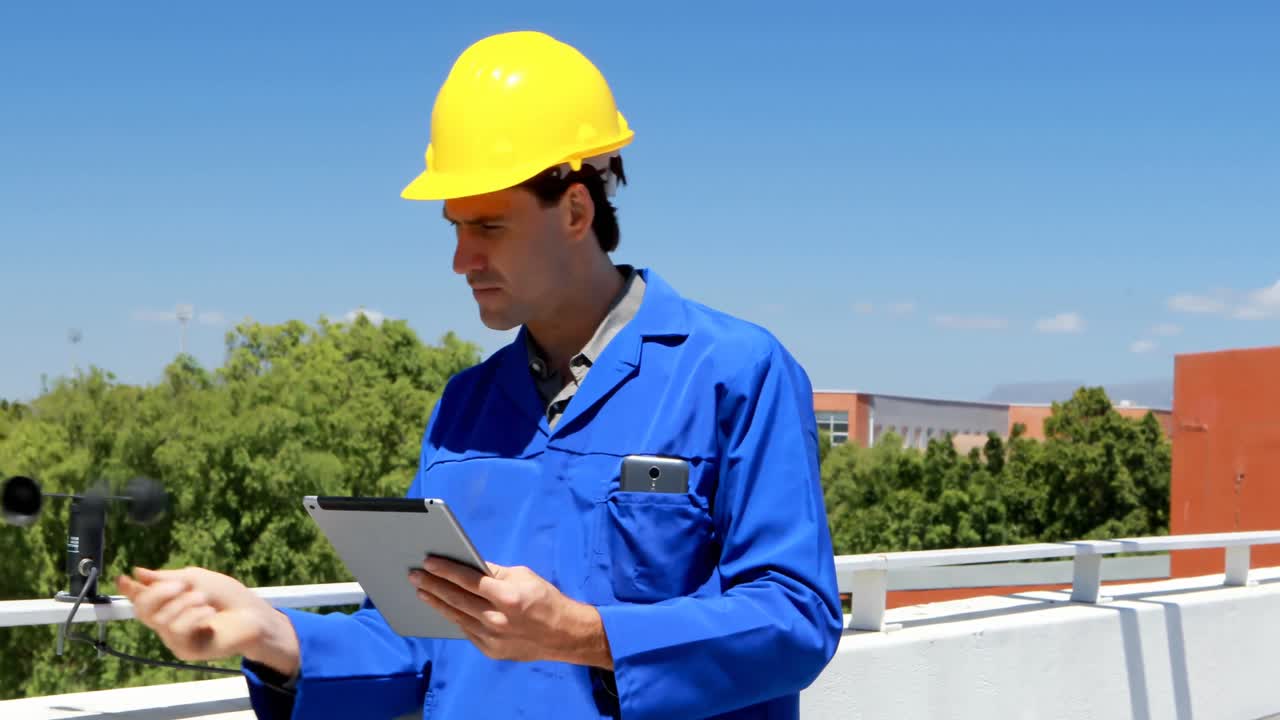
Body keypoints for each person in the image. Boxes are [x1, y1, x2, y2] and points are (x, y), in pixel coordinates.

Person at [119, 30, 843, 720]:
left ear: (575, 209)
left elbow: (795, 618)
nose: (462, 260)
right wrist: (268, 631)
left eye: (489, 227)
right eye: (455, 229)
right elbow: (414, 644)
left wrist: (584, 633)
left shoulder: (735, 374)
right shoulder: (465, 406)